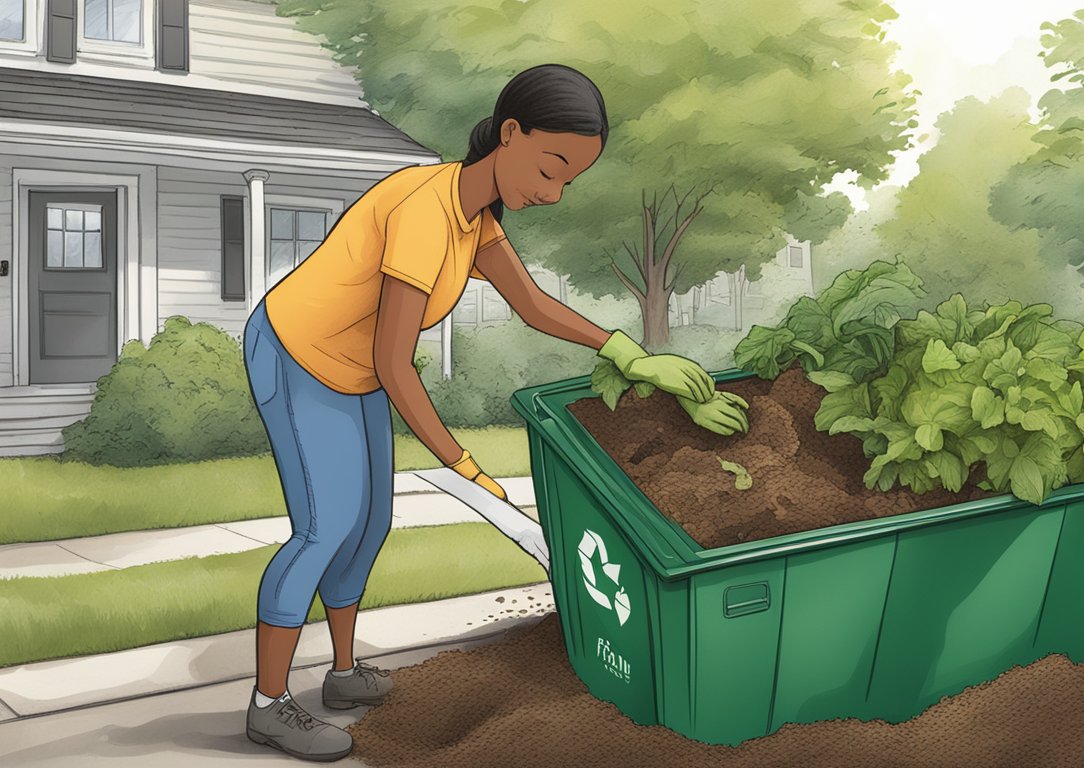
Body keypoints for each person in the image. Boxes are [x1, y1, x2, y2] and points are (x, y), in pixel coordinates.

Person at [239, 63, 748, 761]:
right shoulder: (425, 215)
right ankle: (268, 705)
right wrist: (462, 463)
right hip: (299, 353)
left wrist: (628, 354)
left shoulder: (472, 216)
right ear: (511, 134)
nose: (555, 192)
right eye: (551, 168)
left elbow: (532, 304)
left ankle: (344, 675)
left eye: (570, 179)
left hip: (352, 367)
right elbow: (395, 364)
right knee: (325, 529)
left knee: (370, 523)